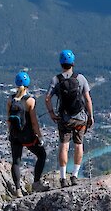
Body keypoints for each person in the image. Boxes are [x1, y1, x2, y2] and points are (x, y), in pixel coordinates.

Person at [45, 50, 94, 187]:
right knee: (78, 145)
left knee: (64, 146)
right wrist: (90, 116)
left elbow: (47, 98)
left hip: (64, 119)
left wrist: (52, 113)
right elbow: (88, 100)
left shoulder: (56, 79)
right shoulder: (81, 78)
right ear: (73, 63)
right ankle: (75, 175)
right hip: (80, 118)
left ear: (61, 63)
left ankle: (62, 178)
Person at [7, 71, 49, 197]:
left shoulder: (10, 100)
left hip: (15, 135)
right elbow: (34, 123)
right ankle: (36, 183)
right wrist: (40, 137)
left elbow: (8, 119)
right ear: (28, 85)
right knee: (41, 155)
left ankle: (18, 189)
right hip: (28, 136)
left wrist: (11, 134)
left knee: (16, 161)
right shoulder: (30, 101)